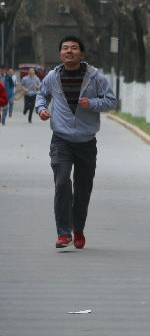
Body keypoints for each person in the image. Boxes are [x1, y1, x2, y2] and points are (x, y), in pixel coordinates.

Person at [36, 36, 117, 249]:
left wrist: (92, 103)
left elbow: (111, 101)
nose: (69, 51)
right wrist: (41, 109)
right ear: (60, 53)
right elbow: (41, 95)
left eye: (73, 48)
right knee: (62, 183)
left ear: (81, 54)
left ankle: (78, 228)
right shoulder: (53, 77)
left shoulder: (94, 77)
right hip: (61, 140)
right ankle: (63, 233)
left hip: (86, 142)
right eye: (65, 48)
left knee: (82, 189)